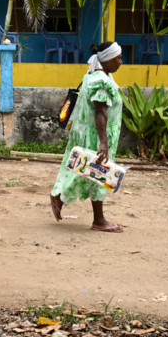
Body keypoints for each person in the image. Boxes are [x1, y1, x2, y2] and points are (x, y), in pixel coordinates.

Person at [50, 41, 125, 233]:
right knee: (98, 174)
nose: (121, 62)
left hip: (87, 132)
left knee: (84, 170)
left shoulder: (93, 75)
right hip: (96, 135)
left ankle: (61, 197)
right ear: (107, 59)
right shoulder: (102, 82)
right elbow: (100, 113)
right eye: (118, 58)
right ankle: (97, 219)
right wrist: (104, 142)